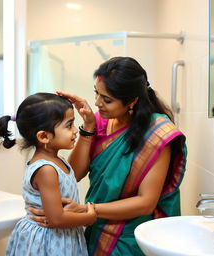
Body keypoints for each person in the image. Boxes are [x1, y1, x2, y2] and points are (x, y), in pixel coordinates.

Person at [29, 57, 187, 255]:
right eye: (97, 93)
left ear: (132, 101)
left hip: (129, 236)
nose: (97, 103)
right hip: (95, 228)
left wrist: (89, 209)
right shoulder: (100, 122)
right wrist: (87, 128)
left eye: (107, 99)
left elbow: (146, 202)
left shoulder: (157, 133)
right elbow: (74, 174)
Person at [0, 93, 96, 256]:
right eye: (69, 125)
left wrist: (89, 125)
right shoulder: (46, 169)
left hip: (61, 235)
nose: (75, 130)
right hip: (48, 240)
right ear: (44, 136)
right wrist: (89, 217)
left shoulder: (57, 160)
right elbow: (57, 219)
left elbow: (71, 178)